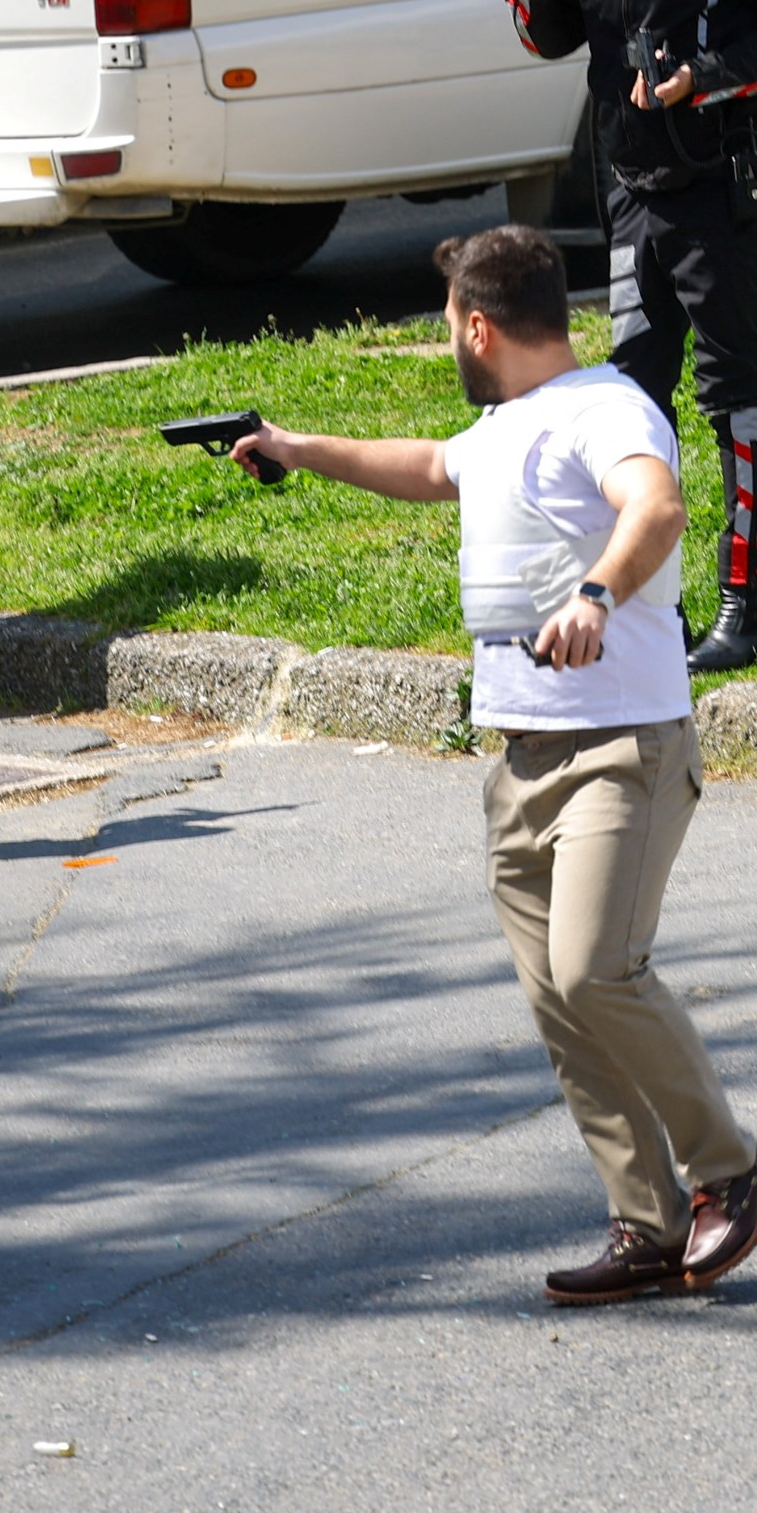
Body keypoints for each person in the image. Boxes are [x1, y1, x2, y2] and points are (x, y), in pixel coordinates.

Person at [228, 225, 757, 1305]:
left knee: (597, 970)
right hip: (519, 764)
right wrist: (294, 446)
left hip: (621, 751)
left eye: (447, 325)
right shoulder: (502, 426)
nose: (448, 342)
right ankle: (647, 1224)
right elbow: (428, 467)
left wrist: (597, 594)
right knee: (562, 1003)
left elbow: (657, 506)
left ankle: (732, 1172)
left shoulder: (608, 409)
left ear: (477, 326)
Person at [504, 0, 757, 673]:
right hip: (629, 200)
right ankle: (652, 610)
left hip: (720, 195)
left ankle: (744, 605)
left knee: (739, 400)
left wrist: (705, 76)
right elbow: (554, 37)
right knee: (630, 403)